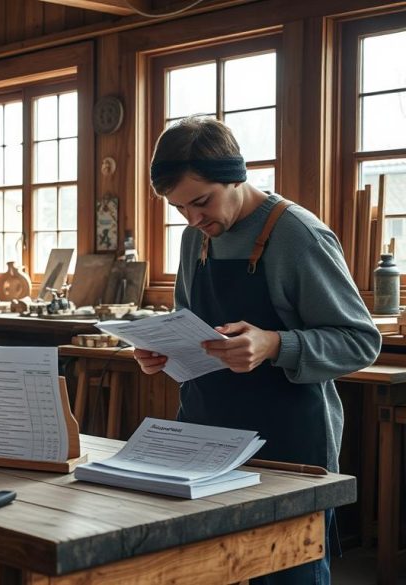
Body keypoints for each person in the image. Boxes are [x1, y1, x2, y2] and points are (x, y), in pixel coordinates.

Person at [134, 116, 380, 584]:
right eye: (179, 208)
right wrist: (162, 352)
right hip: (205, 436)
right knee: (203, 570)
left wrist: (274, 344)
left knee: (289, 575)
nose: (193, 220)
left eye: (201, 202)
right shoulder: (195, 239)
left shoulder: (299, 235)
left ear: (236, 174)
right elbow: (190, 324)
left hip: (288, 445)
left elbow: (361, 342)